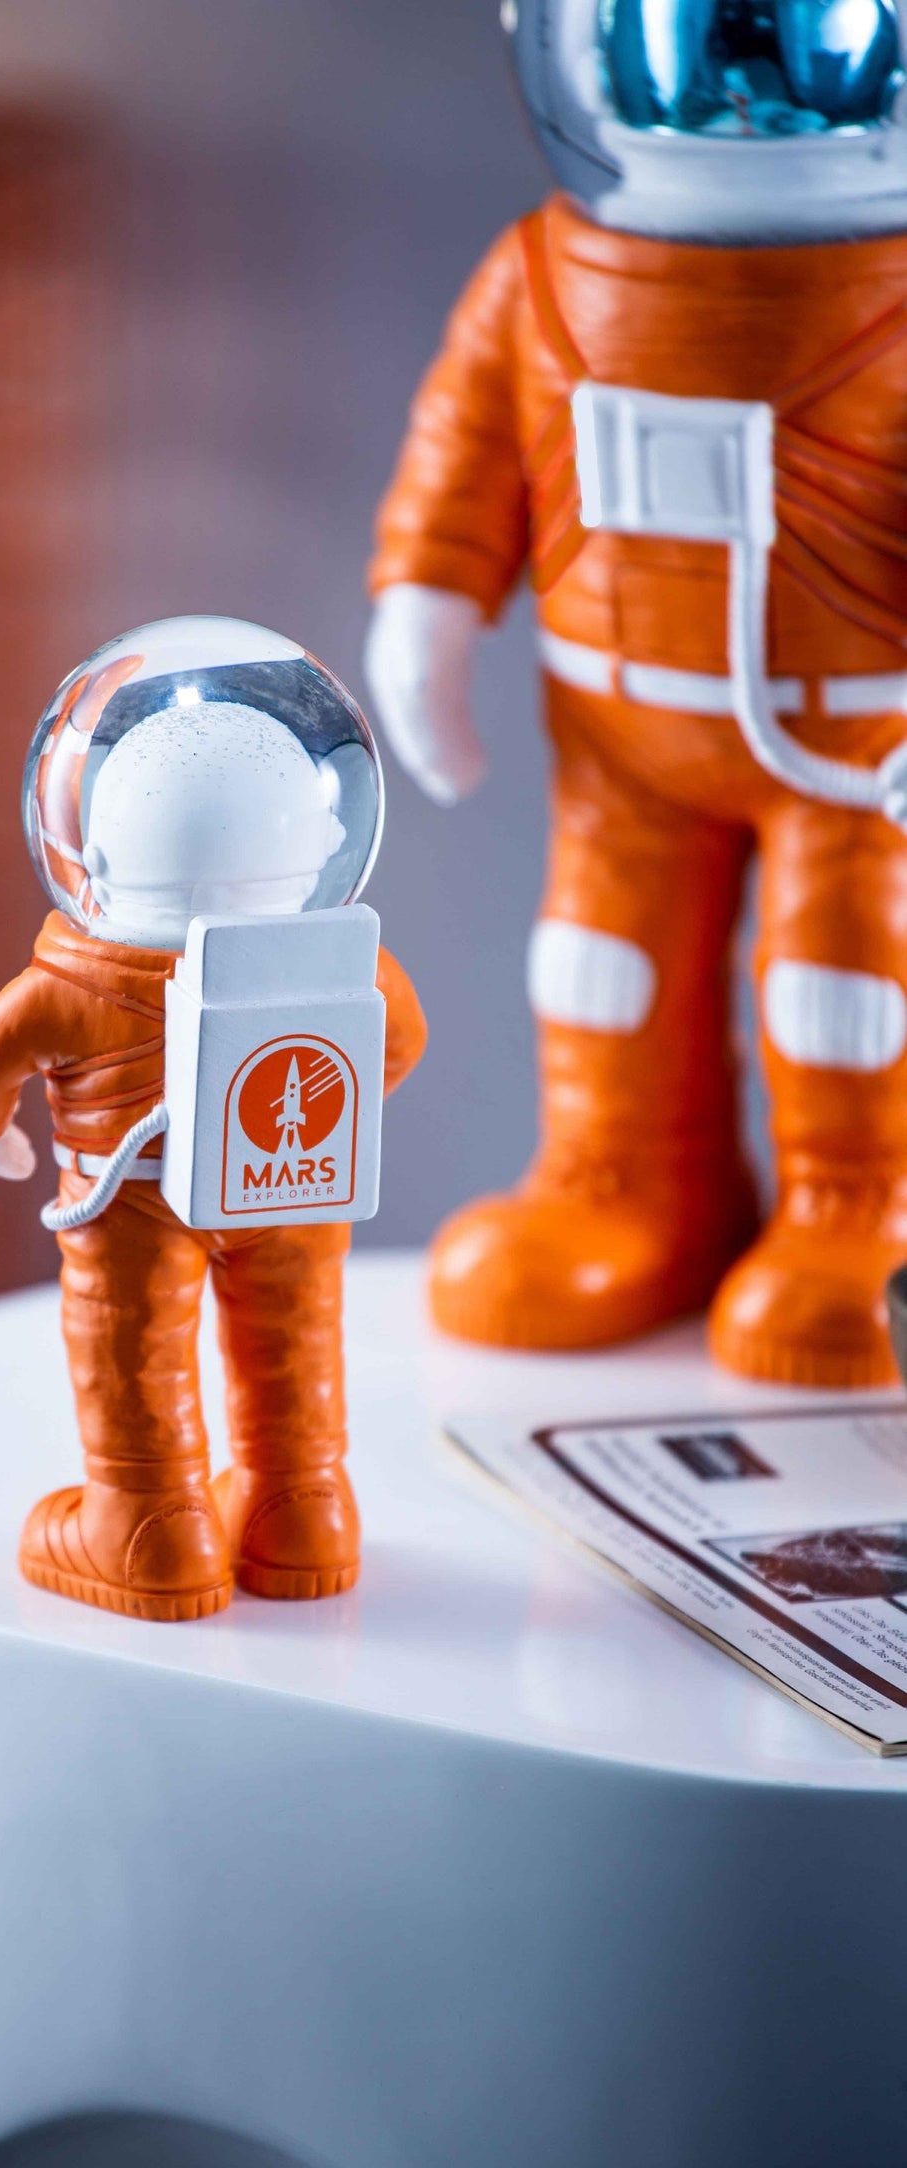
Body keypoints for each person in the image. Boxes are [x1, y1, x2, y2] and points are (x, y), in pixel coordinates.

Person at [366, 0, 907, 1386]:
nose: (745, 84)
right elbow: (461, 451)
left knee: (847, 984)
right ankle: (620, 1181)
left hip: (862, 739)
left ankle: (855, 1207)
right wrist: (423, 608)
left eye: (808, 40)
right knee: (599, 966)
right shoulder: (543, 275)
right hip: (621, 741)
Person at [0, 618, 426, 1619]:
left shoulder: (66, 990)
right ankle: (302, 1505)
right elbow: (399, 1039)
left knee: (131, 1341)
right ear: (322, 842)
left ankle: (148, 1523)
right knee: (293, 1330)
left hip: (125, 1198)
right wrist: (324, 1114)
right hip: (288, 1183)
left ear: (92, 849)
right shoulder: (345, 968)